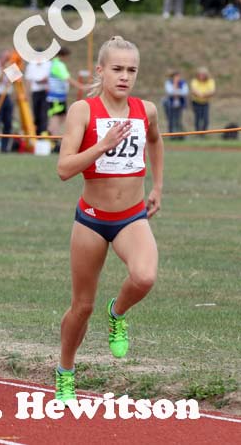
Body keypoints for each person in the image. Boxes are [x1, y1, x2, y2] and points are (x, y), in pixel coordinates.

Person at [54, 36, 163, 403]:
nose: (124, 76)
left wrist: (157, 186)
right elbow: (64, 169)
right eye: (117, 69)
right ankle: (66, 370)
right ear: (100, 70)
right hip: (91, 220)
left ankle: (117, 312)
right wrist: (101, 145)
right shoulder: (83, 112)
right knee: (81, 307)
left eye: (131, 70)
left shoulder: (145, 110)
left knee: (145, 276)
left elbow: (156, 142)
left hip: (132, 216)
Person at [25, 53, 52, 136]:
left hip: (45, 92)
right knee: (36, 113)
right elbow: (28, 80)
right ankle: (36, 135)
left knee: (44, 114)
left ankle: (43, 134)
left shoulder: (48, 64)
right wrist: (27, 93)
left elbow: (51, 77)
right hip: (35, 92)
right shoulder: (31, 65)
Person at [190, 66, 216, 134]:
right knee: (197, 118)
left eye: (203, 74)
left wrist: (202, 95)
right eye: (200, 74)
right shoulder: (194, 81)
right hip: (196, 102)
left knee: (205, 119)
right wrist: (203, 94)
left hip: (205, 103)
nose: (201, 76)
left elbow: (212, 91)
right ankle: (197, 133)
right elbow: (194, 90)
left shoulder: (210, 81)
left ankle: (204, 133)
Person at [163, 70, 188, 136]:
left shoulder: (183, 83)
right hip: (170, 104)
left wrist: (175, 91)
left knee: (178, 119)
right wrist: (178, 90)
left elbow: (185, 92)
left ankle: (178, 135)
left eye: (178, 76)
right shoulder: (168, 83)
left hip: (180, 104)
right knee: (171, 119)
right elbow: (169, 92)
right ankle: (171, 134)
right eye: (176, 76)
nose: (177, 78)